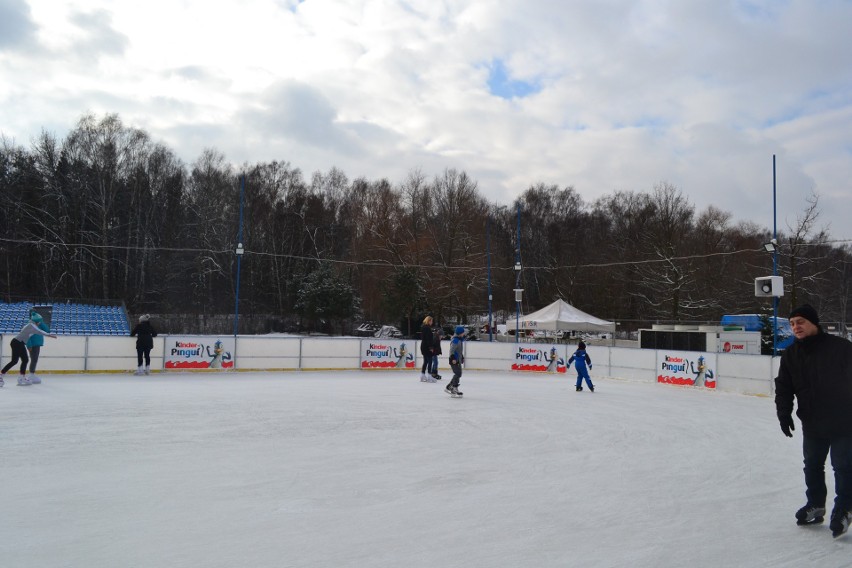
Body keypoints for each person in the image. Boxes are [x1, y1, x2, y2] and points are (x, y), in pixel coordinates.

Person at [775, 304, 852, 538]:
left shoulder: (841, 348)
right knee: (812, 466)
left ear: (813, 323)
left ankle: (844, 509)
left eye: (800, 322)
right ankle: (816, 505)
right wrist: (783, 412)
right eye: (792, 323)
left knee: (843, 467)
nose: (796, 327)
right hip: (812, 422)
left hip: (844, 422)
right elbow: (784, 387)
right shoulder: (790, 354)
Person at [1, 318, 58, 387]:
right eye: (39, 322)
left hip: (19, 343)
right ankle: (1, 375)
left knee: (25, 360)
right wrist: (49, 335)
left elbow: (38, 331)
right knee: (14, 361)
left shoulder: (31, 326)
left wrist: (47, 334)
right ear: (37, 322)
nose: (39, 323)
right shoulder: (31, 325)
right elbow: (39, 331)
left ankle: (22, 377)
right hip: (17, 342)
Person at [26, 311, 50, 384]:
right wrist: (29, 345)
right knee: (34, 359)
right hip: (32, 345)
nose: (40, 322)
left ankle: (32, 373)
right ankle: (31, 374)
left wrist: (42, 323)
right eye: (39, 321)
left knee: (35, 359)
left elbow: (47, 330)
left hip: (37, 344)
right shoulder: (29, 326)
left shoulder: (39, 325)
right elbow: (27, 336)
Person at [445, 326, 465, 397]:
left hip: (457, 360)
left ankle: (451, 387)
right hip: (454, 360)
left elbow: (458, 351)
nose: (464, 334)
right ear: (460, 333)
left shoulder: (459, 339)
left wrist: (461, 357)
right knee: (458, 373)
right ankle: (453, 387)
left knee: (459, 373)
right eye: (463, 332)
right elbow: (451, 351)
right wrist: (453, 358)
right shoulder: (455, 340)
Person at [420, 316, 434, 382]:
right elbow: (429, 339)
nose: (432, 322)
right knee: (430, 361)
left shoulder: (423, 327)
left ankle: (422, 375)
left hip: (423, 346)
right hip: (427, 347)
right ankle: (429, 376)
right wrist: (431, 347)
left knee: (425, 361)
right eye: (431, 321)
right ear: (429, 321)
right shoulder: (427, 328)